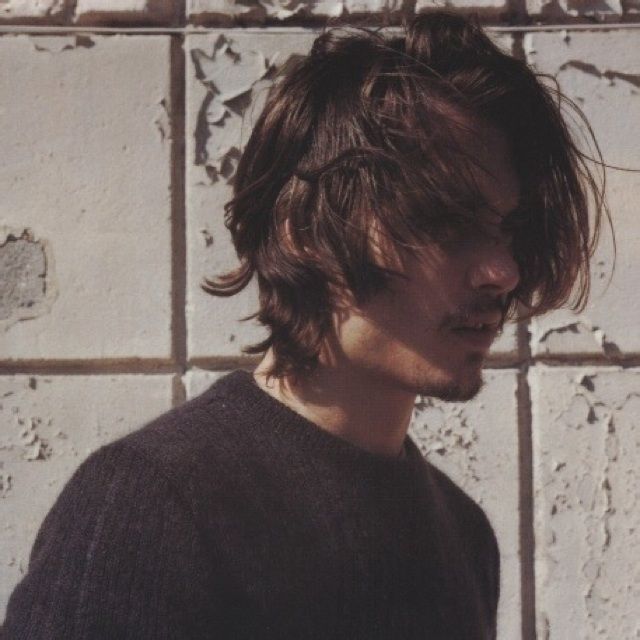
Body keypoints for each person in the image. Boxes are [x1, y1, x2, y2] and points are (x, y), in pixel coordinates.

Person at [1, 12, 606, 640]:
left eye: (509, 229)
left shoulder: (462, 531)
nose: (502, 271)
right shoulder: (153, 504)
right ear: (307, 230)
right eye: (446, 221)